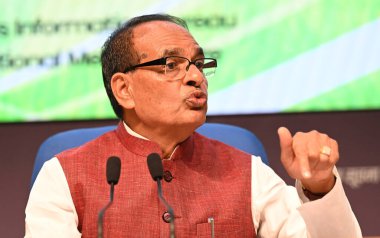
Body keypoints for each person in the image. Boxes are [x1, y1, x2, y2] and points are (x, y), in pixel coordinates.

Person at [25, 14, 362, 237]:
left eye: (199, 64)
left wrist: (319, 186)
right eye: (171, 64)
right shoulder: (63, 175)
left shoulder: (248, 172)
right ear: (124, 90)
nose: (195, 77)